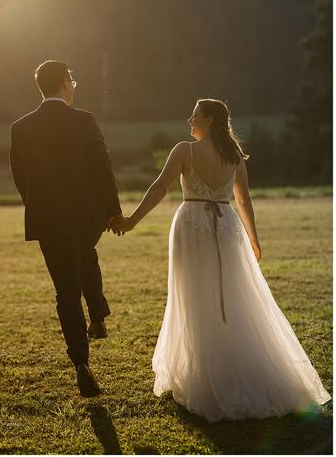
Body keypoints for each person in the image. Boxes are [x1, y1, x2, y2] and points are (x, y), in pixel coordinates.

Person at [116, 98, 331, 421]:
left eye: (196, 115)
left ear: (211, 121)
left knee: (195, 297)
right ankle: (224, 364)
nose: (190, 119)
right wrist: (254, 238)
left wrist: (132, 219)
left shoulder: (185, 151)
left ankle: (205, 374)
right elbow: (243, 200)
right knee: (230, 297)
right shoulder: (234, 157)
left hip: (192, 225)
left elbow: (160, 187)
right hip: (228, 227)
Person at [9, 60, 122, 398]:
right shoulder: (84, 121)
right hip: (87, 215)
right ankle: (99, 314)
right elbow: (103, 167)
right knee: (86, 254)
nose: (74, 86)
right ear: (64, 84)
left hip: (49, 217)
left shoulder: (21, 127)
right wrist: (112, 211)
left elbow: (19, 175)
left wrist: (37, 205)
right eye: (72, 81)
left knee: (66, 290)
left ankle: (81, 361)